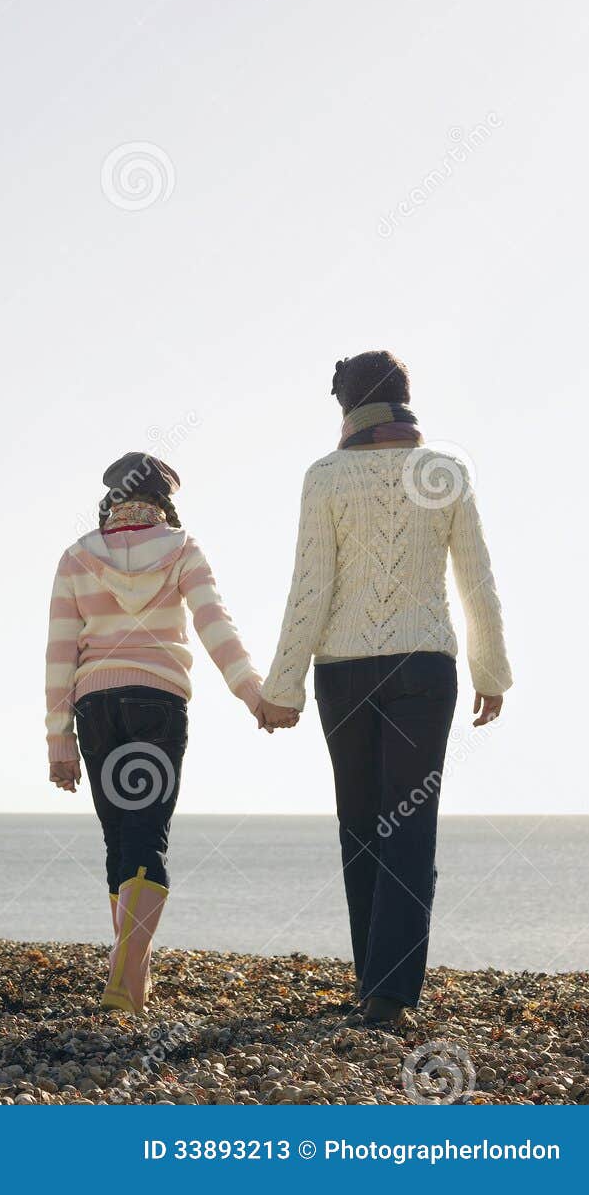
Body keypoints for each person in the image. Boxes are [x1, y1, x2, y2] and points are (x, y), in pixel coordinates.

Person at [258, 351, 512, 1025]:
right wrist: (491, 671)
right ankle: (387, 995)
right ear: (405, 398)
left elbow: (309, 589)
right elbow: (476, 582)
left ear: (345, 408)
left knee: (361, 828)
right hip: (424, 670)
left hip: (343, 670)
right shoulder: (443, 470)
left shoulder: (325, 478)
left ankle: (376, 986)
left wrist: (280, 686)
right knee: (407, 826)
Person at [46, 452, 263, 1013]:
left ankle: (132, 975)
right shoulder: (182, 548)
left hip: (96, 708)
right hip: (157, 704)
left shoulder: (76, 557)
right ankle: (128, 974)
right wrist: (253, 694)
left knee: (119, 837)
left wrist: (58, 740)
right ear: (165, 500)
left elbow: (59, 655)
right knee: (149, 835)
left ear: (111, 498)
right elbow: (217, 627)